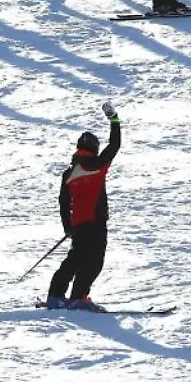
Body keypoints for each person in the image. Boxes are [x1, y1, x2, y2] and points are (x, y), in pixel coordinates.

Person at [47, 102, 122, 311]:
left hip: (79, 224)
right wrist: (114, 119)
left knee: (76, 258)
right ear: (94, 149)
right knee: (94, 261)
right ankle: (79, 297)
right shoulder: (96, 165)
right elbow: (115, 145)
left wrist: (68, 227)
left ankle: (55, 296)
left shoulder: (69, 174)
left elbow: (63, 202)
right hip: (95, 222)